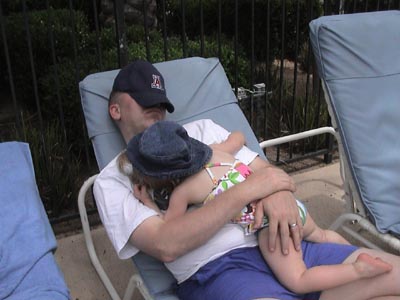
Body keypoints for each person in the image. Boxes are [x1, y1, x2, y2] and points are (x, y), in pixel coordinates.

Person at [94, 59, 400, 300]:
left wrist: (277, 193)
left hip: (285, 239)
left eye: (160, 102)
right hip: (222, 271)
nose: (157, 109)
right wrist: (252, 189)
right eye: (145, 101)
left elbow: (270, 173)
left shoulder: (201, 133)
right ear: (116, 109)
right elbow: (166, 245)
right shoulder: (113, 179)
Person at [118, 120, 392, 295]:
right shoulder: (218, 152)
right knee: (321, 235)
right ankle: (350, 252)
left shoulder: (182, 192)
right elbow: (238, 137)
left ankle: (357, 271)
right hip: (294, 211)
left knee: (298, 279)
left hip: (267, 223)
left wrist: (150, 204)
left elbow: (170, 229)